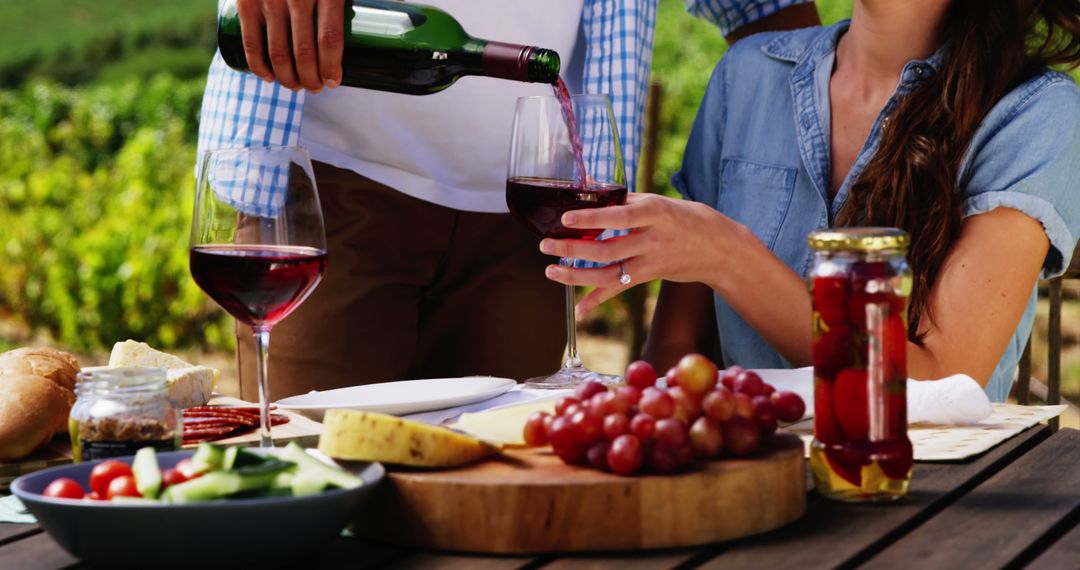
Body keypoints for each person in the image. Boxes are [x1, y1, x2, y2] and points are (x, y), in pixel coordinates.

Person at [198, 0, 821, 400]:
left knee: (511, 497)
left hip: (529, 233)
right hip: (327, 193)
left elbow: (770, 10)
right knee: (321, 488)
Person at [540, 0, 1080, 403]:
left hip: (923, 505)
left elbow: (939, 388)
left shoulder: (1033, 113)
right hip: (742, 482)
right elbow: (670, 373)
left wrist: (727, 256)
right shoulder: (746, 75)